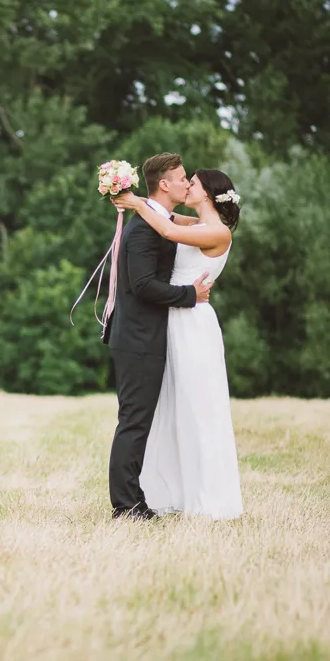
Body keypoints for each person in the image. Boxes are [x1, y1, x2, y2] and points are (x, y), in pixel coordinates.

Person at [114, 169, 244, 519]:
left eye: (194, 183)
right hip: (171, 322)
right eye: (186, 179)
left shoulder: (217, 232)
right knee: (172, 409)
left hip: (193, 323)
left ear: (207, 194)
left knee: (198, 407)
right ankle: (170, 491)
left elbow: (168, 228)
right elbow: (170, 219)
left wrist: (136, 203)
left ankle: (207, 497)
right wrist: (140, 203)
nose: (188, 185)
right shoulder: (197, 224)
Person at [102, 153, 211, 521]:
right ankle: (126, 507)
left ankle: (136, 500)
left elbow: (177, 223)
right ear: (164, 184)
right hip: (137, 339)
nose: (187, 182)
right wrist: (189, 296)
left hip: (146, 336)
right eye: (182, 178)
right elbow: (144, 286)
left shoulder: (155, 219)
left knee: (139, 420)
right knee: (133, 421)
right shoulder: (145, 229)